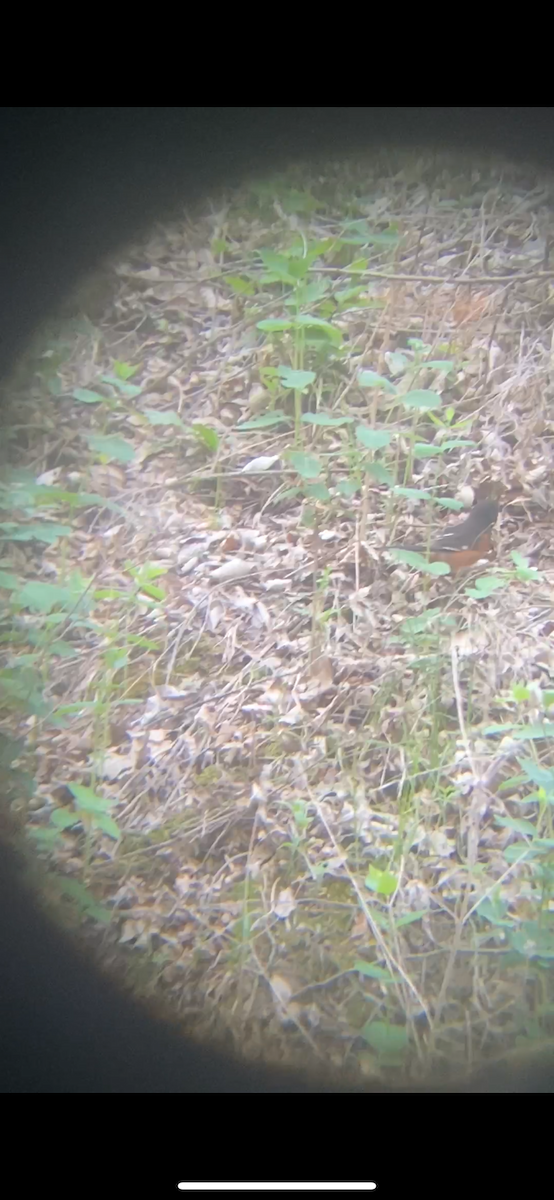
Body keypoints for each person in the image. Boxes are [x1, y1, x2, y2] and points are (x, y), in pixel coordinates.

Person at [1, 108, 553, 1096]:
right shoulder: (466, 529)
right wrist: (435, 569)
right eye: (490, 504)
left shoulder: (471, 521)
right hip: (430, 574)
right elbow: (457, 548)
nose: (491, 508)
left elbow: (462, 543)